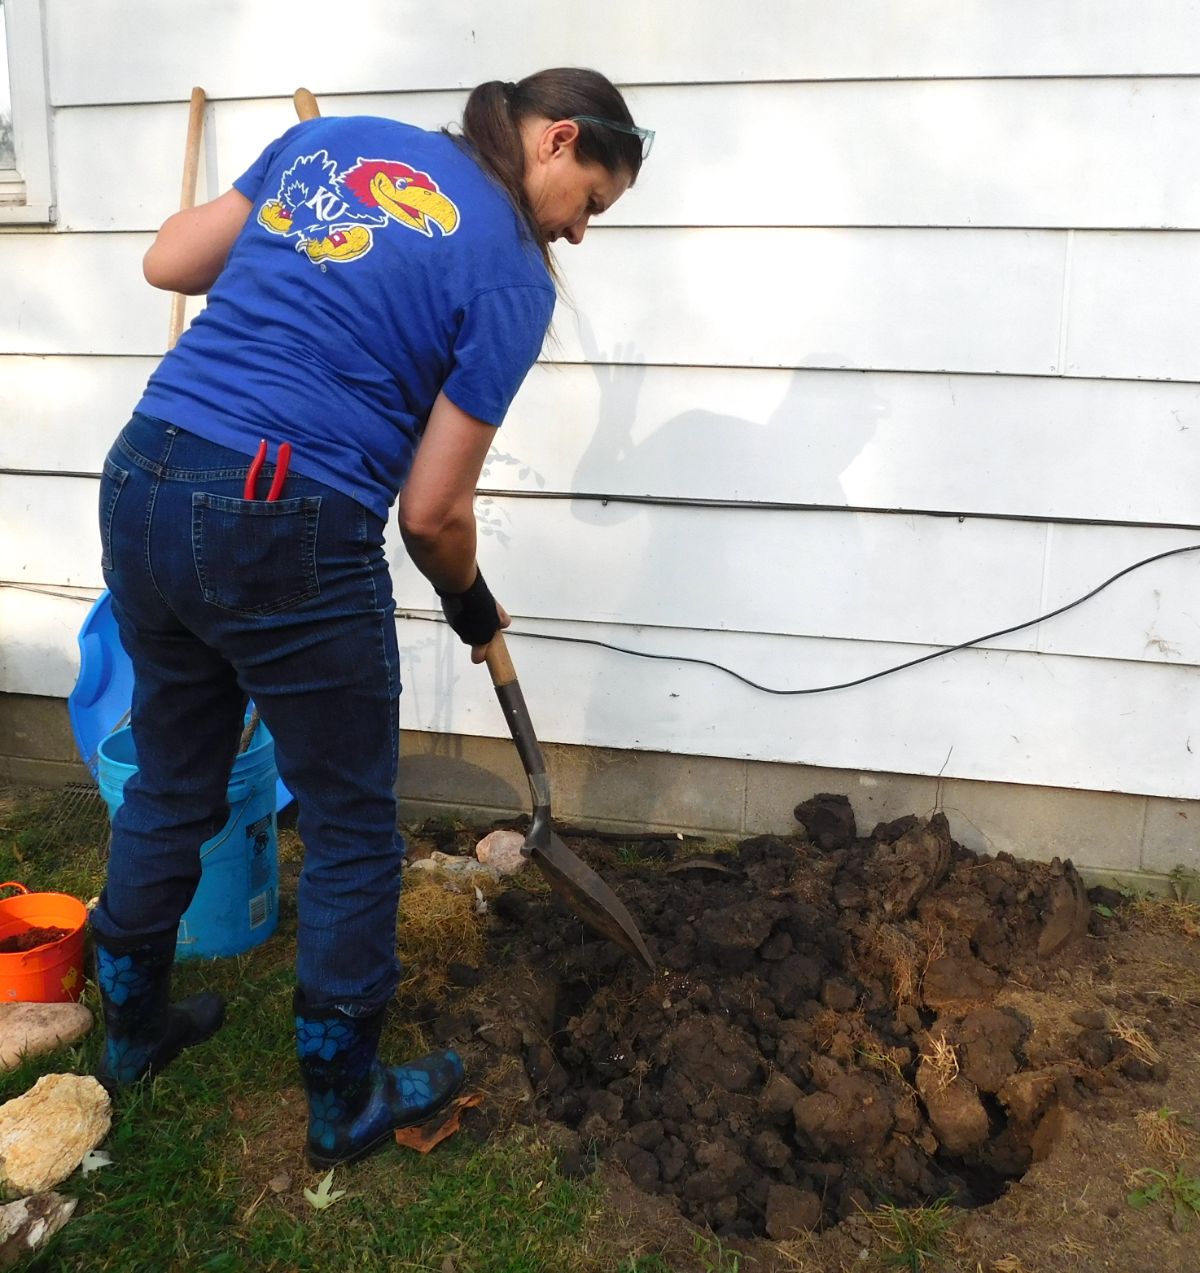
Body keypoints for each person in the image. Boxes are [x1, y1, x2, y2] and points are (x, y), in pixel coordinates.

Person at [90, 68, 650, 1168]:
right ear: (558, 141)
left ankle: (133, 1030)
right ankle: (344, 1097)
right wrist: (472, 600)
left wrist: (308, 220)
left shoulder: (335, 142)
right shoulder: (509, 277)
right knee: (350, 824)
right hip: (277, 513)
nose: (580, 235)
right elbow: (432, 511)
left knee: (172, 777)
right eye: (591, 203)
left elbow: (169, 261)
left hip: (144, 473)